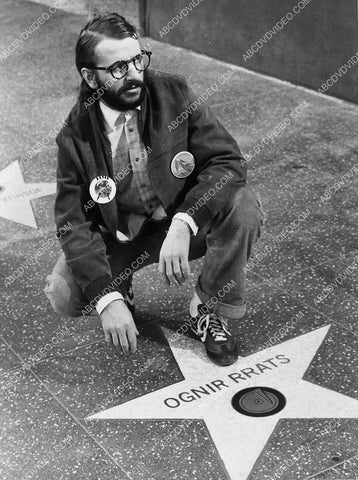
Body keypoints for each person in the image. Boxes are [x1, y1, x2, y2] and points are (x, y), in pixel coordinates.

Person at [44, 13, 264, 367]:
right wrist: (106, 298)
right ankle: (121, 289)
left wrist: (185, 221)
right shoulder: (75, 136)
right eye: (117, 68)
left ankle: (206, 308)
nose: (133, 74)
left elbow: (228, 161)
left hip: (179, 225)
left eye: (137, 60)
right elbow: (72, 223)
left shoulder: (174, 92)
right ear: (89, 76)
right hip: (121, 236)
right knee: (64, 293)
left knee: (244, 206)